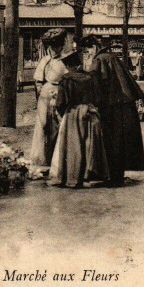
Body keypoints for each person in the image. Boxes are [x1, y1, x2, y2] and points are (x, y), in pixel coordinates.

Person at [82, 35, 144, 186]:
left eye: (87, 50)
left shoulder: (99, 60)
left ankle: (112, 176)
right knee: (122, 140)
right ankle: (118, 175)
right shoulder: (112, 57)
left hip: (111, 106)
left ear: (94, 47)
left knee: (111, 140)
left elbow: (96, 83)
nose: (88, 54)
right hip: (124, 103)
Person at [48, 49, 109, 188]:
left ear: (69, 66)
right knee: (89, 144)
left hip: (73, 114)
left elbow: (61, 103)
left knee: (73, 145)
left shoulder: (66, 80)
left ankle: (73, 176)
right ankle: (89, 175)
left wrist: (61, 113)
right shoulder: (90, 78)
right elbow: (98, 98)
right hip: (89, 112)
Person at [29, 29, 68, 171]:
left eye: (58, 45)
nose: (55, 49)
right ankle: (43, 158)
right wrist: (41, 92)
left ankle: (58, 160)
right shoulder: (45, 60)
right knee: (44, 125)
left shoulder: (67, 59)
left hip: (62, 92)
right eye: (53, 46)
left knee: (59, 125)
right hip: (46, 95)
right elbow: (38, 81)